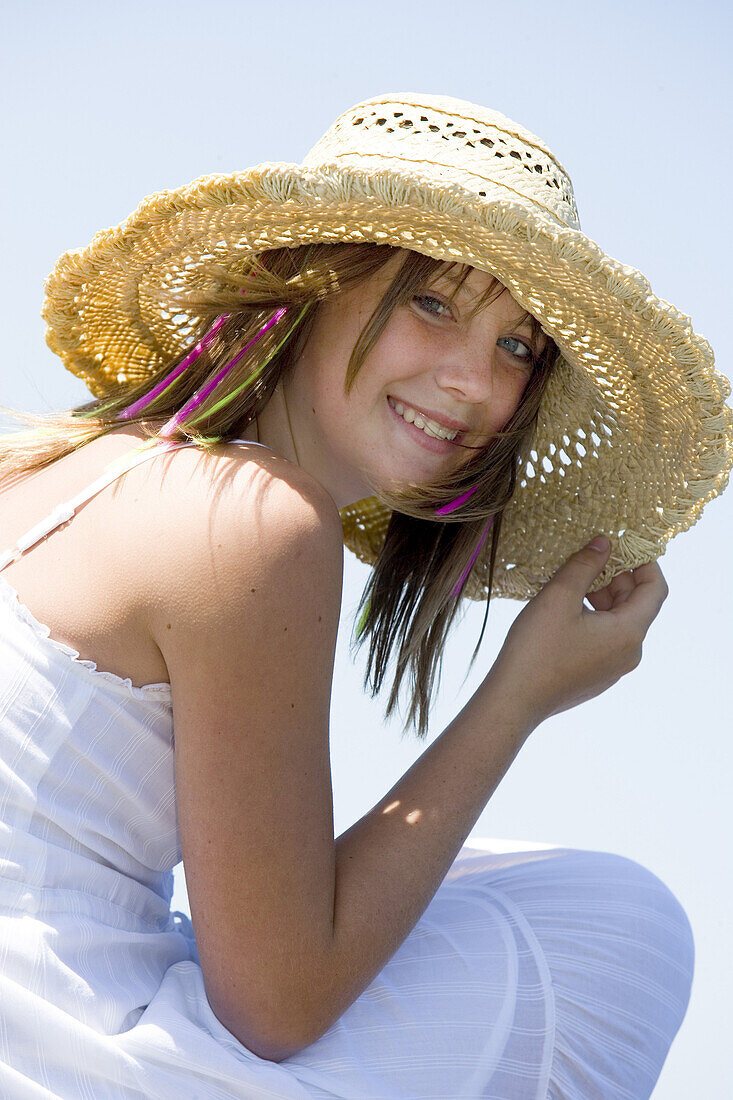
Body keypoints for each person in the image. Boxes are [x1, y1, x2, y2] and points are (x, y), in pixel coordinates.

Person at [0, 92, 730, 1100]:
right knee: (615, 924)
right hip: (61, 1056)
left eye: (517, 345)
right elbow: (277, 1000)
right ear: (306, 285)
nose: (476, 381)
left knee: (508, 881)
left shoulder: (53, 468)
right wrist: (515, 696)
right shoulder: (252, 516)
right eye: (433, 302)